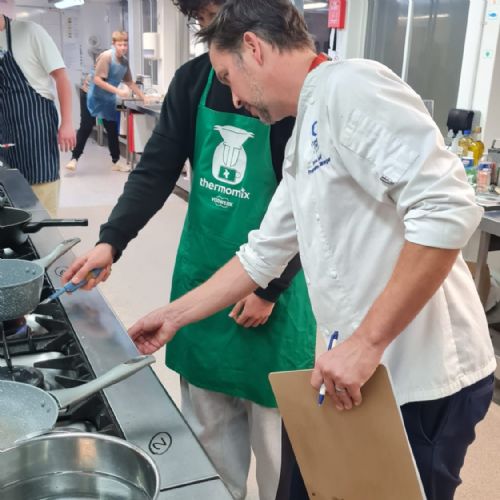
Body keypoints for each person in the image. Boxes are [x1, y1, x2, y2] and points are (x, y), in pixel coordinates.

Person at [125, 1, 497, 499]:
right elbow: (262, 255)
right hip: (357, 375)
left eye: (228, 77)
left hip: (424, 376)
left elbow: (446, 207)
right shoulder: (304, 130)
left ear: (253, 48)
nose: (234, 98)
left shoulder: (353, 87)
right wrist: (173, 316)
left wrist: (366, 343)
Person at [61, 1, 316, 498]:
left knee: (279, 451)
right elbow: (156, 169)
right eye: (200, 20)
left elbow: (308, 207)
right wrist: (112, 240)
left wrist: (270, 289)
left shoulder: (291, 90)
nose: (209, 27)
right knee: (208, 441)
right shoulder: (194, 81)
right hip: (204, 271)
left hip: (277, 294)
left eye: (213, 14)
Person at [0, 8, 75, 216]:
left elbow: (61, 77)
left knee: (42, 194)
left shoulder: (30, 32)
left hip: (35, 127)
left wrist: (67, 123)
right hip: (4, 130)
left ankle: (45, 233)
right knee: (9, 197)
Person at [65, 31, 148, 173]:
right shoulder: (106, 57)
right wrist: (118, 92)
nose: (123, 47)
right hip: (91, 94)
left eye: (125, 45)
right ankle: (74, 158)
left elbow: (129, 81)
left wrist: (143, 97)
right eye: (120, 45)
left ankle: (116, 162)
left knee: (111, 127)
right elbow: (97, 80)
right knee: (86, 125)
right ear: (114, 44)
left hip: (107, 96)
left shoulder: (124, 62)